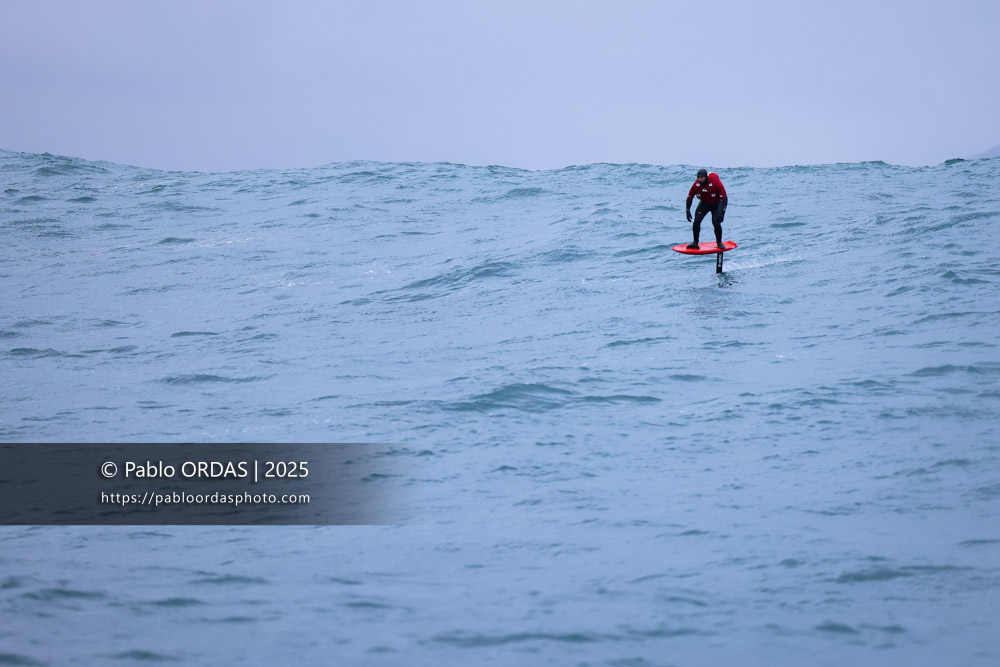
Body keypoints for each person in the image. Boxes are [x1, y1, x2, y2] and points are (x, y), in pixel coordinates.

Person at [685, 168, 728, 249]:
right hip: (704, 203)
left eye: (702, 177)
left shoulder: (715, 182)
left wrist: (722, 213)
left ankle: (719, 242)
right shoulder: (696, 185)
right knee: (696, 221)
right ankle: (695, 242)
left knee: (716, 222)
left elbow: (724, 198)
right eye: (698, 177)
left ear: (706, 177)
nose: (700, 179)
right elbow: (690, 197)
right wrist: (687, 210)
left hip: (716, 203)